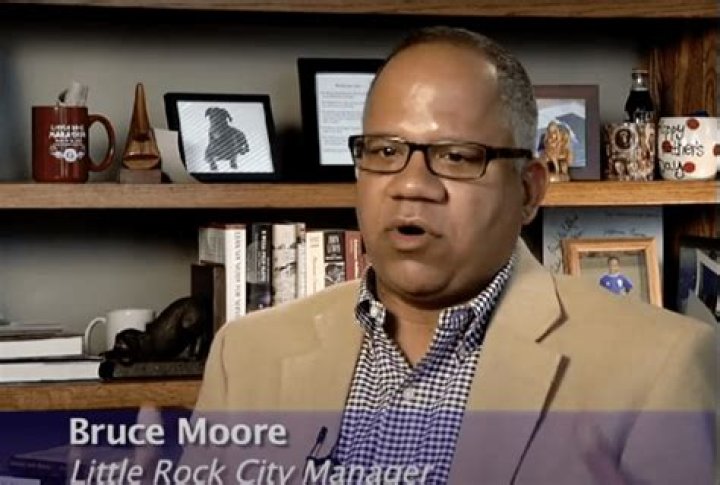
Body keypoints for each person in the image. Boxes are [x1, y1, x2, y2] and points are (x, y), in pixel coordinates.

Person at [193, 27, 714, 483]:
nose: (411, 185)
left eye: (458, 157)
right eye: (385, 152)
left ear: (529, 190)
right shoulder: (245, 355)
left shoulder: (660, 369)